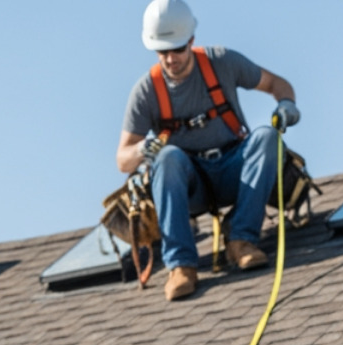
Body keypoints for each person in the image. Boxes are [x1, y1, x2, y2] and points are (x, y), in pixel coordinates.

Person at [116, 0, 300, 301]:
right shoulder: (147, 91)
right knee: (167, 157)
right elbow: (123, 160)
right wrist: (140, 149)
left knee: (267, 137)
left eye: (177, 49)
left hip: (233, 170)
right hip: (190, 185)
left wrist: (287, 104)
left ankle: (241, 240)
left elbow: (276, 84)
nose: (171, 58)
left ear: (191, 40)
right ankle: (181, 266)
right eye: (163, 51)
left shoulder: (222, 62)